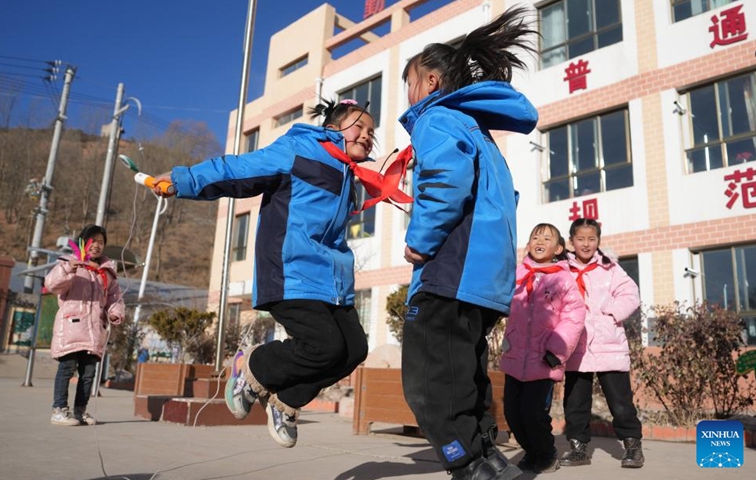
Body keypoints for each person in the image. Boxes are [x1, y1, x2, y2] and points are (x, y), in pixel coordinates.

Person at [151, 98, 376, 448]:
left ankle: (285, 402)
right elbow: (239, 170)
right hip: (290, 271)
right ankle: (254, 368)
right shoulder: (299, 149)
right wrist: (186, 179)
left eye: (371, 132)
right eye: (359, 126)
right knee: (326, 346)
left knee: (354, 349)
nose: (366, 135)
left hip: (332, 281)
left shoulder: (351, 177)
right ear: (332, 128)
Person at [399, 6, 538, 480]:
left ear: (432, 83)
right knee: (467, 378)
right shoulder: (479, 133)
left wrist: (419, 241)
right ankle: (489, 460)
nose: (410, 95)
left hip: (448, 275)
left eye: (411, 84)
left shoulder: (435, 121)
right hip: (483, 281)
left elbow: (444, 182)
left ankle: (468, 465)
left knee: (428, 385)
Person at [500, 224, 586, 474]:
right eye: (535, 236)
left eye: (547, 238)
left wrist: (557, 351)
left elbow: (574, 316)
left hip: (544, 360)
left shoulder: (563, 279)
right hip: (515, 356)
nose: (539, 240)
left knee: (533, 412)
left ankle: (546, 453)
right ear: (528, 245)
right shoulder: (517, 274)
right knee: (512, 413)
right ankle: (532, 451)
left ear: (558, 248)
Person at [559, 217, 644, 469]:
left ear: (598, 241)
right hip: (575, 344)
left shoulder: (611, 268)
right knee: (576, 401)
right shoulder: (562, 268)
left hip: (609, 343)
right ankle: (578, 448)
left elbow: (630, 294)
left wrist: (610, 315)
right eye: (581, 239)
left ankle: (632, 445)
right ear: (571, 240)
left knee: (620, 400)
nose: (586, 244)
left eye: (591, 239)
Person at [45, 224, 125, 426]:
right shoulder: (69, 264)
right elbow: (52, 284)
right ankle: (59, 410)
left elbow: (114, 297)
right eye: (93, 240)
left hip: (94, 330)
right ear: (83, 242)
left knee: (88, 374)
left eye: (101, 242)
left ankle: (80, 411)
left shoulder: (106, 272)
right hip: (71, 327)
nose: (97, 245)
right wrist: (69, 268)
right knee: (66, 369)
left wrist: (115, 312)